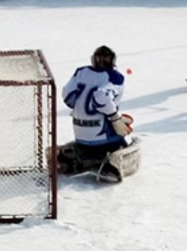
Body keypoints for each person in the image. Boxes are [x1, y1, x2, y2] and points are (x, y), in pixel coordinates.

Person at [58, 46, 140, 183]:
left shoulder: (81, 72)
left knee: (86, 145)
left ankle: (73, 158)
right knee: (121, 142)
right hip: (101, 135)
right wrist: (114, 117)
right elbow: (101, 96)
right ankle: (109, 166)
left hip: (79, 133)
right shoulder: (115, 77)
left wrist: (81, 110)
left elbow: (67, 94)